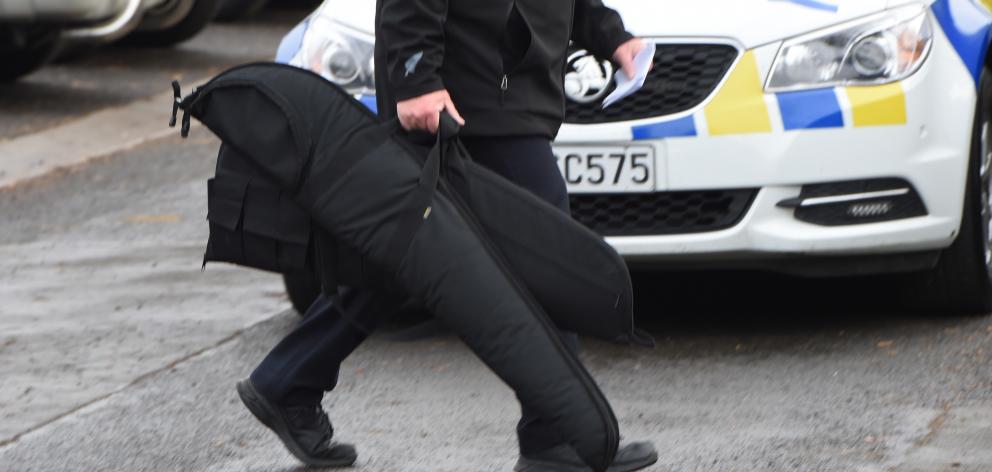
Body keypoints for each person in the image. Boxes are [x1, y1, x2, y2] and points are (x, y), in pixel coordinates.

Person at [236, 1, 659, 471]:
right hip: (462, 101)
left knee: (401, 253)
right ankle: (559, 436)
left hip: (503, 93)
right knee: (543, 255)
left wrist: (611, 35)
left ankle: (288, 380)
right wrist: (417, 78)